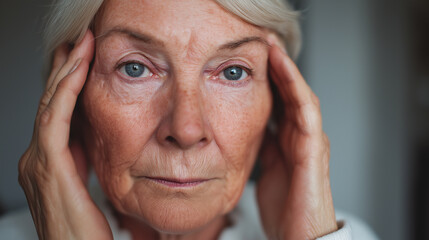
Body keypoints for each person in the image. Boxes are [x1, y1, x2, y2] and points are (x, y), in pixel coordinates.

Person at [0, 0, 378, 239]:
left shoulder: (343, 235)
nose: (185, 130)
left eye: (233, 73)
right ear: (71, 92)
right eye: (134, 68)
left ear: (278, 103)